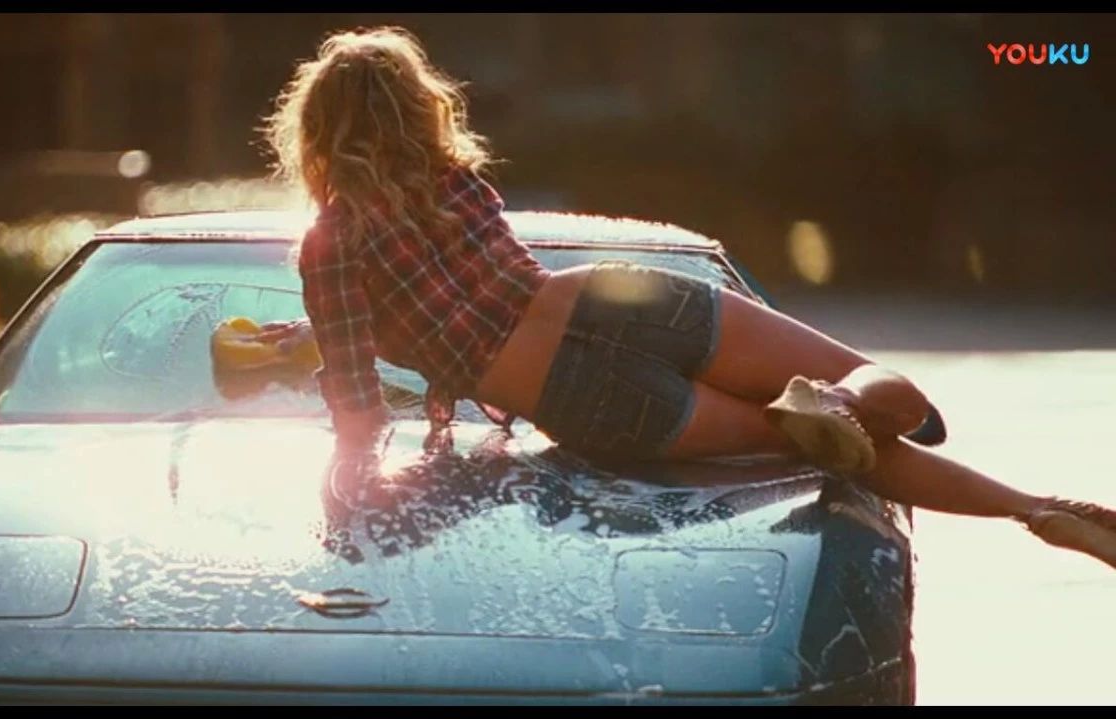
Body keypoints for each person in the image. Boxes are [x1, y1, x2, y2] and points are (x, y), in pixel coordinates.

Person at [254, 26, 1116, 569]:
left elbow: (362, 407)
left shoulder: (330, 244)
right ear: (420, 110)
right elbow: (482, 290)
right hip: (614, 299)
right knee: (891, 399)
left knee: (832, 456)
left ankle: (972, 488)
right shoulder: (459, 185)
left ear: (315, 131)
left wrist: (350, 508)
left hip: (569, 392)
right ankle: (987, 476)